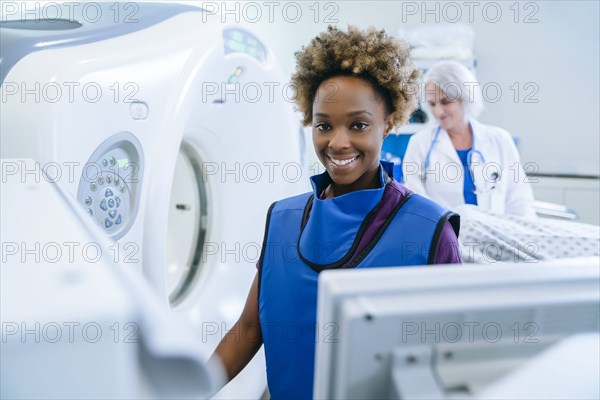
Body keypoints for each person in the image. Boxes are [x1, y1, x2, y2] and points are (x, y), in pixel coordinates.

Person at [210, 26, 462, 399]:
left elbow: (455, 362)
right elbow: (249, 329)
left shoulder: (428, 232)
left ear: (388, 122)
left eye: (358, 125)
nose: (338, 142)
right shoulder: (283, 219)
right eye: (324, 125)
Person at [402, 60, 536, 218]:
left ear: (465, 97)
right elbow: (417, 204)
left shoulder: (500, 140)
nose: (438, 111)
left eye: (446, 102)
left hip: (496, 235)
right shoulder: (420, 144)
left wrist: (521, 237)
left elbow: (519, 200)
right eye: (432, 104)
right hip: (444, 237)